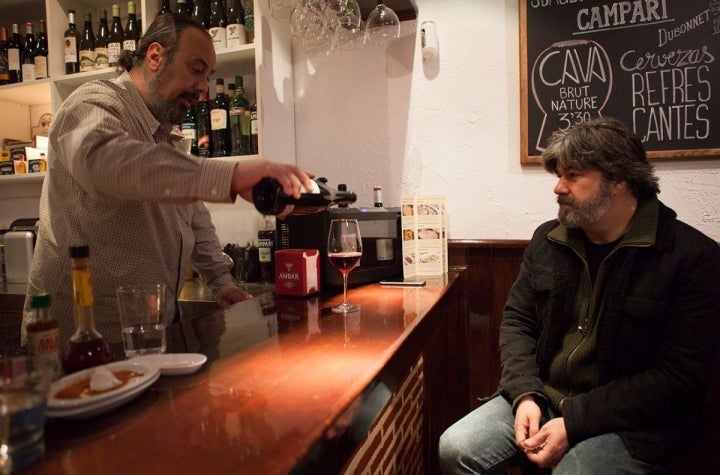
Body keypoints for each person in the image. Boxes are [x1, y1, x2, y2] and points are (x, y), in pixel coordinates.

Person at [438, 117, 720, 474]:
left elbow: (678, 377)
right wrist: (525, 394)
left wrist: (575, 422)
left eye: (573, 175)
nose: (558, 187)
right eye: (558, 174)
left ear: (619, 180)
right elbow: (517, 322)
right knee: (456, 448)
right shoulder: (548, 239)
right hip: (545, 395)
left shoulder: (691, 257)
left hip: (633, 422)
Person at [23, 13, 313, 349]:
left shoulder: (166, 137)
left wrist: (222, 282)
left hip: (148, 335)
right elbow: (109, 164)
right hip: (80, 340)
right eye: (196, 69)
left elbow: (193, 219)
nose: (204, 87)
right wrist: (231, 176)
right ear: (155, 56)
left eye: (208, 75)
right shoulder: (91, 104)